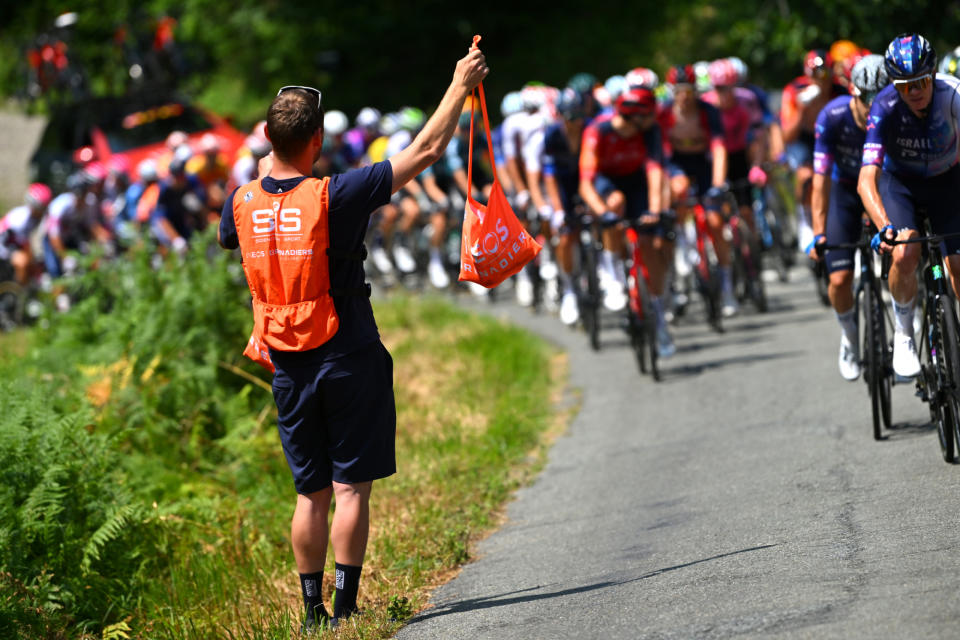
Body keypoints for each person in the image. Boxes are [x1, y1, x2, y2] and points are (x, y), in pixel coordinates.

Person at [218, 44, 488, 631]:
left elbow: (245, 217)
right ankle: (346, 605)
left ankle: (311, 611)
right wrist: (460, 83)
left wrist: (272, 160)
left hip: (284, 362)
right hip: (348, 354)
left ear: (267, 136)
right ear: (317, 141)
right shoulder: (335, 194)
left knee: (309, 494)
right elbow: (427, 148)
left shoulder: (238, 202)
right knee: (351, 490)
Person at [859, 33, 960, 379]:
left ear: (931, 75)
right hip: (900, 184)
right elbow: (866, 180)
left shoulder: (953, 94)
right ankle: (904, 333)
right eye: (904, 86)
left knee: (958, 263)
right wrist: (885, 226)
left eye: (920, 82)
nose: (914, 91)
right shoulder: (883, 106)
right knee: (904, 253)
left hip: (948, 179)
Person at [808, 55, 889, 380]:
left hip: (882, 191)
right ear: (854, 92)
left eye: (880, 97)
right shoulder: (832, 116)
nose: (874, 105)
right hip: (844, 193)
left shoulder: (892, 114)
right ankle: (849, 335)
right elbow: (819, 180)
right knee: (839, 279)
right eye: (867, 98)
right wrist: (817, 232)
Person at [0, 183, 51, 285]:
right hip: (3, 245)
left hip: (11, 244)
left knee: (32, 263)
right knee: (23, 262)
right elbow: (24, 245)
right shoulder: (21, 219)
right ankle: (21, 293)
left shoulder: (35, 218)